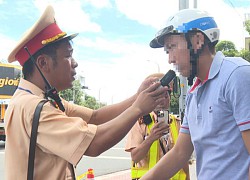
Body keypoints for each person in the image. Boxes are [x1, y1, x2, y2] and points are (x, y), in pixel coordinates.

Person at [4, 5, 169, 180]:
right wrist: (138, 108)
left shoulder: (39, 99)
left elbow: (95, 117)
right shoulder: (34, 107)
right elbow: (94, 144)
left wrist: (138, 96)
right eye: (68, 56)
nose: (74, 63)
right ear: (43, 63)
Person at [141, 8, 250, 180]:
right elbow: (179, 153)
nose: (170, 59)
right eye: (167, 51)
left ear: (197, 41)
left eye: (172, 47)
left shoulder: (237, 75)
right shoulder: (194, 93)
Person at [125, 73, 190, 180]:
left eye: (166, 95)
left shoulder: (176, 122)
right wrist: (151, 138)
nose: (162, 100)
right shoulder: (140, 122)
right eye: (158, 96)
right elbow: (135, 157)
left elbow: (183, 157)